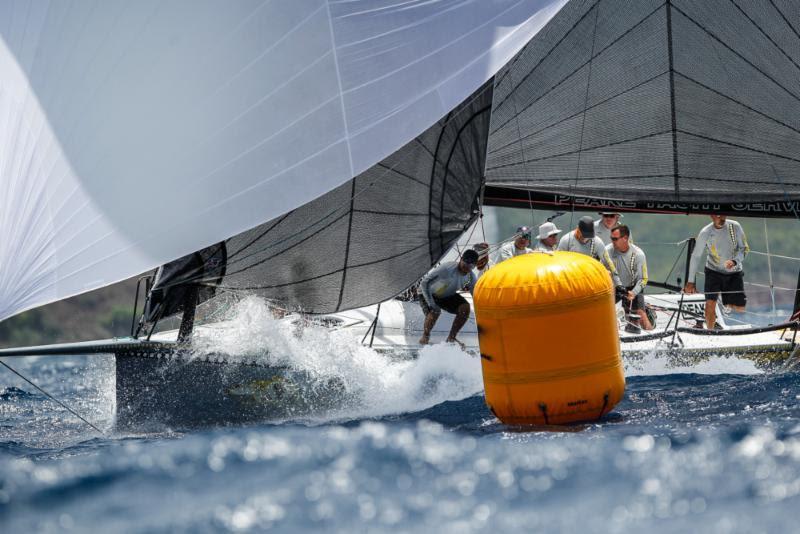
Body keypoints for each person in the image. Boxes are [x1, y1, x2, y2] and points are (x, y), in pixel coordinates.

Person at [683, 214, 749, 329]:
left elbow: (744, 248)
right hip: (713, 270)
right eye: (718, 215)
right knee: (710, 304)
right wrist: (690, 281)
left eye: (723, 214)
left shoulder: (735, 226)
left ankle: (725, 301)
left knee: (739, 307)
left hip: (734, 271)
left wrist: (735, 261)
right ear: (712, 216)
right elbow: (696, 256)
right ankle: (710, 332)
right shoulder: (705, 232)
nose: (721, 218)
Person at [418, 249, 479, 346]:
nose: (467, 266)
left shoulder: (471, 277)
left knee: (465, 308)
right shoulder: (447, 268)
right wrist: (431, 304)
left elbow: (476, 296)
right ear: (461, 259)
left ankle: (451, 338)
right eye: (466, 262)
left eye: (471, 265)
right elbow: (424, 283)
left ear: (474, 266)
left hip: (445, 296)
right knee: (435, 310)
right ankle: (425, 336)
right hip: (427, 293)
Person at [607, 225, 652, 331]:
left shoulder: (638, 254)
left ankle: (653, 337)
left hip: (632, 288)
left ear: (625, 238)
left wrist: (634, 292)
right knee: (602, 311)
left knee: (641, 315)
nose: (612, 241)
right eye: (611, 238)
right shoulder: (607, 251)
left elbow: (644, 278)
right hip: (615, 288)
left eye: (615, 239)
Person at [558, 216, 621, 286]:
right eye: (584, 235)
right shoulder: (566, 240)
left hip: (589, 279)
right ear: (578, 229)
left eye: (589, 236)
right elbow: (558, 262)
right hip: (570, 278)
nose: (585, 238)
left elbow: (609, 262)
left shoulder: (597, 242)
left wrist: (618, 284)